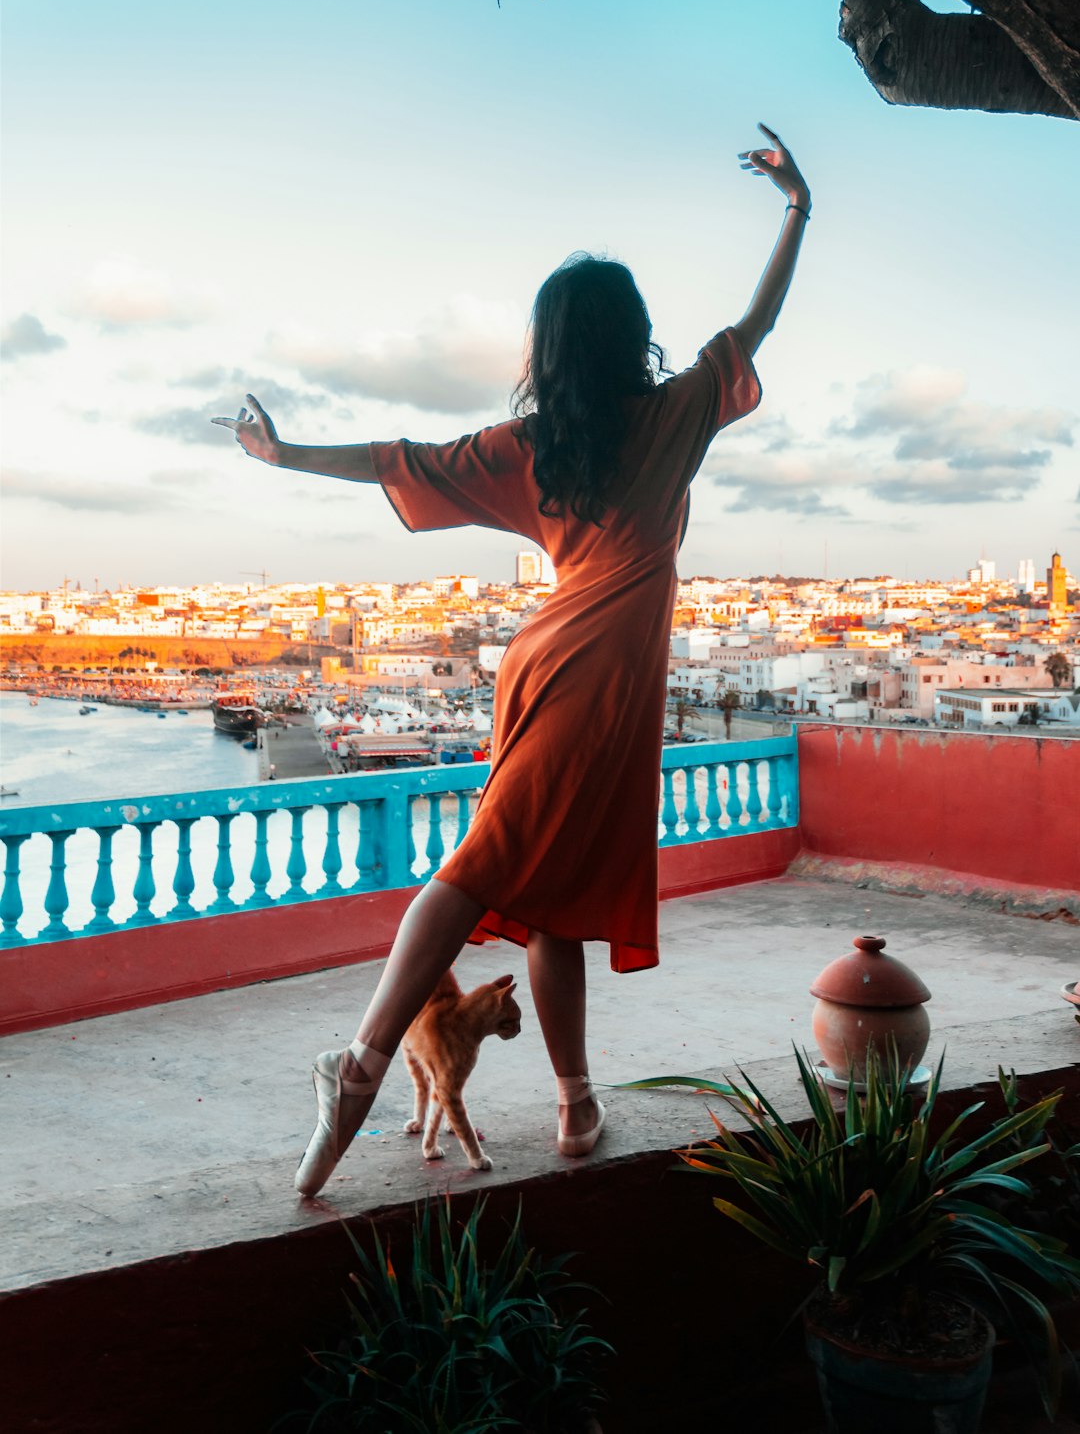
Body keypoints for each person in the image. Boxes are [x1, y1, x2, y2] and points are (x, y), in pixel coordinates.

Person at [213, 125, 811, 1196]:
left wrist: (284, 452)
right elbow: (753, 323)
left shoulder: (529, 447)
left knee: (549, 890)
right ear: (633, 339)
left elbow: (399, 459)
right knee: (489, 869)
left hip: (550, 667)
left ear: (551, 347)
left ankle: (574, 1103)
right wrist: (795, 208)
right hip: (613, 685)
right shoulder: (675, 417)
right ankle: (359, 1070)